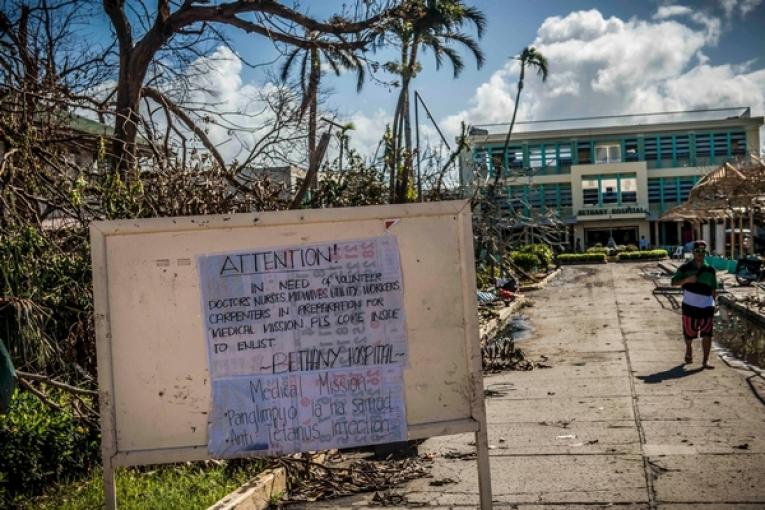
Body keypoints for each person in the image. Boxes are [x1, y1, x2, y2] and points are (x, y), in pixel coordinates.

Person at [671, 240, 717, 368]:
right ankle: (689, 348)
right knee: (689, 333)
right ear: (693, 252)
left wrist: (714, 303)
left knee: (707, 334)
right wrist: (687, 279)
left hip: (707, 305)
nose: (700, 253)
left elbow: (714, 288)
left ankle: (705, 361)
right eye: (698, 251)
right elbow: (673, 282)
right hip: (689, 306)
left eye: (703, 251)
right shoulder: (685, 268)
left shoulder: (710, 270)